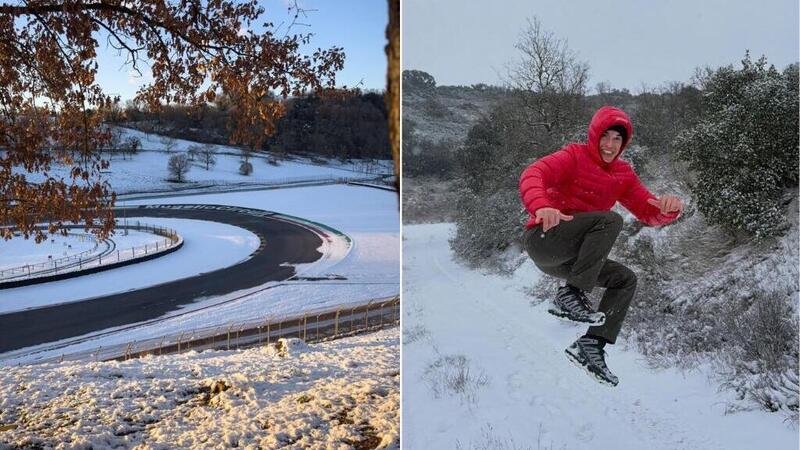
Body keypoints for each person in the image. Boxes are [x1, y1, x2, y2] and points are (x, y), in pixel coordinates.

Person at [518, 106, 683, 386]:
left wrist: (668, 210)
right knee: (610, 220)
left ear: (624, 143)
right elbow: (533, 174)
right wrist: (542, 205)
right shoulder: (573, 156)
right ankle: (571, 294)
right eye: (604, 136)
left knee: (625, 279)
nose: (610, 144)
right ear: (594, 135)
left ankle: (591, 345)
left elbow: (647, 210)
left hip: (569, 261)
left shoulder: (623, 174)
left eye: (617, 139)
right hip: (545, 239)